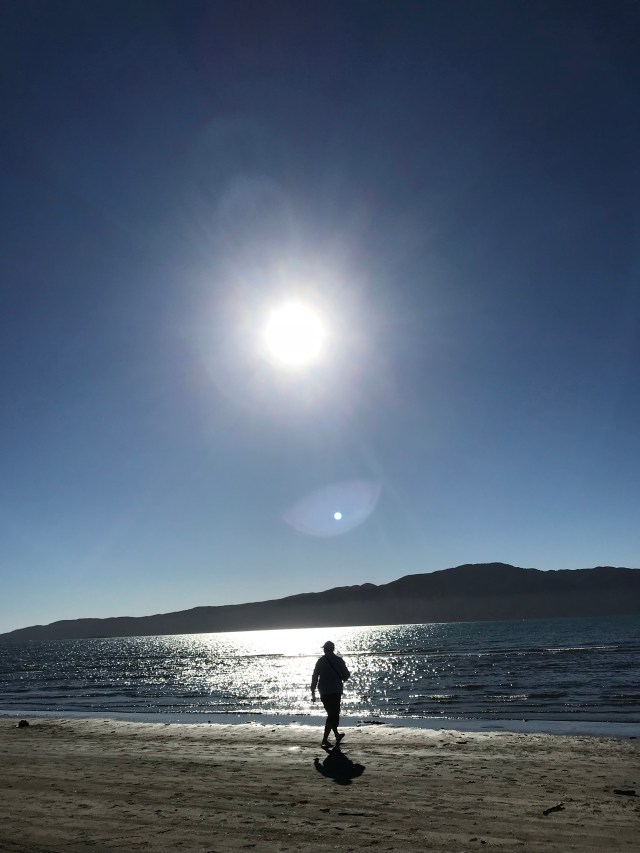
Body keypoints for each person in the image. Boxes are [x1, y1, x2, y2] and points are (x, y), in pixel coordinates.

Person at [311, 640, 350, 748]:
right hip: (336, 690)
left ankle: (336, 735)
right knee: (333, 714)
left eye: (324, 648)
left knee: (331, 714)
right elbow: (347, 675)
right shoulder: (339, 660)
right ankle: (324, 740)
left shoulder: (320, 661)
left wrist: (312, 692)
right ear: (333, 649)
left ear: (325, 649)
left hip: (324, 691)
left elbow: (314, 677)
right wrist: (341, 679)